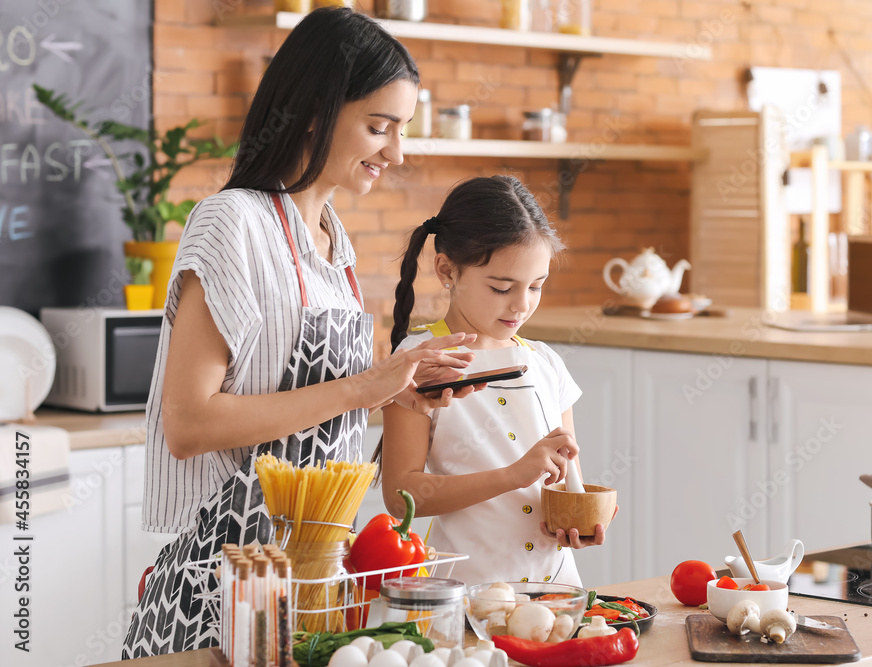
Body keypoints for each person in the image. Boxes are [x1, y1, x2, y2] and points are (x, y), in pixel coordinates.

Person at [123, 8, 479, 658]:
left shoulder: (332, 244)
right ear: (316, 111)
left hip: (315, 579)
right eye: (379, 127)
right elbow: (189, 423)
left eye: (402, 130)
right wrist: (362, 386)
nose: (396, 153)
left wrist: (393, 392)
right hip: (227, 581)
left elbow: (312, 402)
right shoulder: (232, 223)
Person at [378, 176, 615, 587]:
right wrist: (512, 475)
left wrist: (580, 516)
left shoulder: (547, 363)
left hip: (556, 590)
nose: (522, 305)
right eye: (502, 287)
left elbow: (566, 477)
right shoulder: (417, 363)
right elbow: (401, 498)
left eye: (537, 286)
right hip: (468, 594)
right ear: (447, 269)